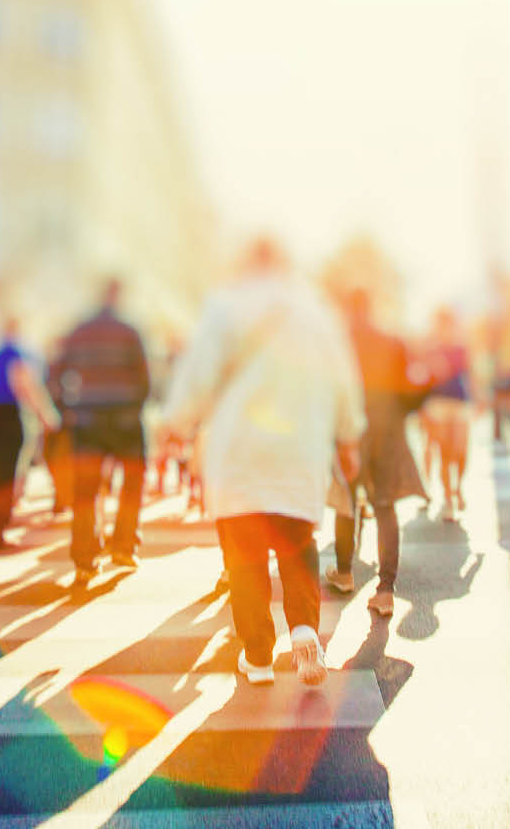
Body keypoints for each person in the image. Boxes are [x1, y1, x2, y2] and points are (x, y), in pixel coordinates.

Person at [160, 237, 363, 687]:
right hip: (299, 450)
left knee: (245, 559)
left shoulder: (224, 307)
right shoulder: (314, 312)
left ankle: (257, 658)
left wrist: (174, 424)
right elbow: (342, 379)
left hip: (239, 455)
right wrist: (349, 437)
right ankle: (304, 630)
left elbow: (197, 376)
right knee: (297, 545)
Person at [326, 288, 428, 617]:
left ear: (348, 308)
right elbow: (412, 389)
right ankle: (385, 590)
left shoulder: (339, 341)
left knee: (346, 502)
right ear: (371, 307)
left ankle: (344, 573)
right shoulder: (393, 340)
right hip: (388, 428)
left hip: (352, 427)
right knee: (385, 506)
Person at [54, 278, 154, 580]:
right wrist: (136, 406)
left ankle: (84, 560)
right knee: (133, 481)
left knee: (86, 490)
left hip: (87, 419)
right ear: (118, 296)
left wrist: (67, 408)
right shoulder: (130, 331)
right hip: (125, 419)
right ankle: (124, 545)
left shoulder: (78, 331)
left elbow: (55, 373)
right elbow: (146, 377)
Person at [0, 312, 61, 550]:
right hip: (10, 413)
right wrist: (46, 414)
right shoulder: (18, 351)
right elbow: (23, 382)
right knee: (9, 474)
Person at [419, 307, 472, 520]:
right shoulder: (430, 347)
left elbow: (471, 373)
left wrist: (480, 398)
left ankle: (459, 487)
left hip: (459, 402)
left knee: (460, 450)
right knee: (444, 452)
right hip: (437, 403)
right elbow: (423, 377)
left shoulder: (462, 347)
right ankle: (448, 497)